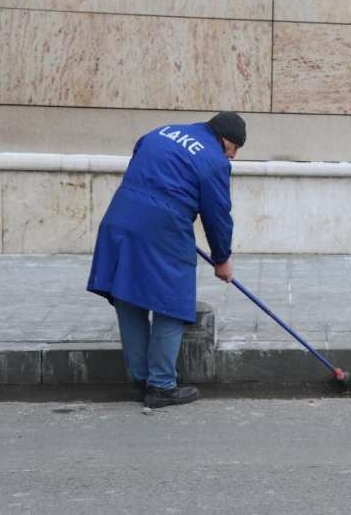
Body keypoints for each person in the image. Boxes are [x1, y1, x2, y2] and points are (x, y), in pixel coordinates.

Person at [87, 112, 245, 408]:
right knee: (171, 300)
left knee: (128, 294)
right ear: (227, 141)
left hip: (120, 216)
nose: (233, 158)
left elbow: (143, 167)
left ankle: (140, 380)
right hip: (162, 226)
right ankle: (161, 385)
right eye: (234, 150)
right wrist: (221, 258)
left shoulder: (163, 131)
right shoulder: (214, 159)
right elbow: (217, 215)